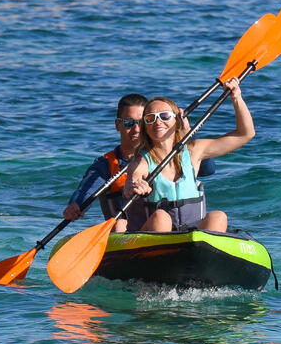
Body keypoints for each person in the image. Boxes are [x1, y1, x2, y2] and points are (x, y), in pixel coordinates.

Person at [126, 77, 253, 233]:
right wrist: (135, 185)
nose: (157, 122)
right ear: (145, 127)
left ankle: (205, 255)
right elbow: (132, 181)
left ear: (177, 121)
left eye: (164, 116)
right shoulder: (142, 161)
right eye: (150, 118)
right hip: (156, 234)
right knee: (161, 217)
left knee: (218, 216)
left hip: (192, 234)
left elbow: (245, 134)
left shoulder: (194, 151)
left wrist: (236, 98)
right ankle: (162, 254)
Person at [63, 93, 151, 232]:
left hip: (158, 228)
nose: (136, 129)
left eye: (141, 123)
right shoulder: (105, 165)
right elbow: (85, 192)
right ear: (118, 125)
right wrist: (75, 205)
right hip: (122, 233)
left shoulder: (163, 157)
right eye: (129, 123)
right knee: (120, 225)